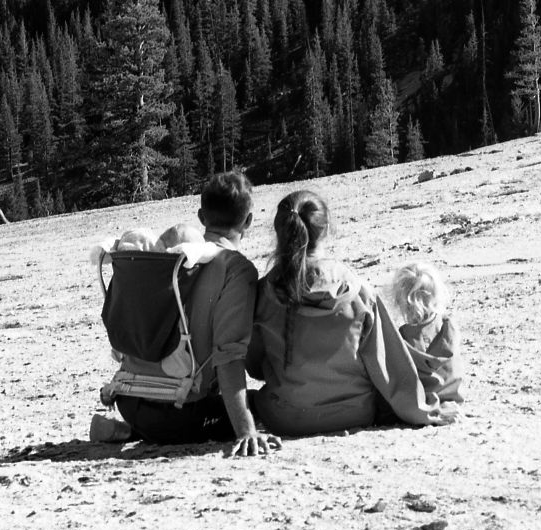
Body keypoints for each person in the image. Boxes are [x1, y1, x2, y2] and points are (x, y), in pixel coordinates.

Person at [96, 170, 278, 457]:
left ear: (202, 217)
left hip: (128, 402)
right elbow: (229, 356)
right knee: (267, 403)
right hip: (179, 414)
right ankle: (147, 431)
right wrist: (246, 430)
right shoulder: (237, 270)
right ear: (248, 221)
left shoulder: (172, 260)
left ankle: (132, 429)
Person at [248, 189, 438, 437]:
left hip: (284, 418)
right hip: (354, 413)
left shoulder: (263, 293)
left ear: (279, 232)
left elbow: (255, 368)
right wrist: (423, 410)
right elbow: (387, 365)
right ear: (327, 229)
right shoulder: (357, 291)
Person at [383, 257, 464, 413]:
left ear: (400, 302)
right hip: (452, 395)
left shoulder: (403, 338)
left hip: (418, 402)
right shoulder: (449, 327)